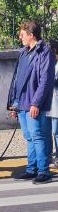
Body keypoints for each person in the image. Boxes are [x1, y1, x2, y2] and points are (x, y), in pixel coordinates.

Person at [7, 20, 55, 184]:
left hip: (34, 103)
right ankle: (31, 169)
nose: (20, 37)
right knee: (29, 137)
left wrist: (36, 103)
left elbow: (45, 81)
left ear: (31, 35)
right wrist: (14, 103)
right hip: (21, 103)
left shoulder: (44, 52)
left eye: (22, 34)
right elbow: (17, 79)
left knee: (38, 136)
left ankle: (43, 171)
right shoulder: (23, 52)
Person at [47, 39, 58, 168]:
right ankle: (49, 156)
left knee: (55, 131)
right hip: (47, 103)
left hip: (55, 103)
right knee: (47, 131)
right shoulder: (47, 63)